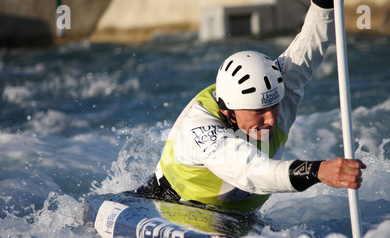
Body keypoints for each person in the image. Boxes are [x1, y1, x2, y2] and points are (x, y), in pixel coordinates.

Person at [135, 0, 366, 212]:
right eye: (258, 111)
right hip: (166, 203)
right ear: (228, 111)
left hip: (238, 215)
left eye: (274, 106)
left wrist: (324, 5)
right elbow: (250, 170)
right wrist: (317, 171)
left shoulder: (278, 91)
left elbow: (311, 43)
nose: (271, 119)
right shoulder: (201, 129)